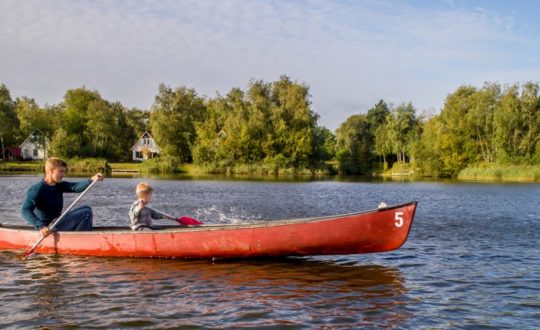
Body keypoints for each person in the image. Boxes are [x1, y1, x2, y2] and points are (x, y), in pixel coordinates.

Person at [21, 157, 103, 237]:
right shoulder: (37, 189)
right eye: (60, 171)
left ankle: (79, 236)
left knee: (87, 208)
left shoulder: (59, 185)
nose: (63, 174)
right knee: (86, 213)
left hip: (57, 222)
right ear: (51, 171)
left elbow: (76, 187)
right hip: (48, 228)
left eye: (64, 171)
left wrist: (92, 179)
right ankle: (81, 240)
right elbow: (25, 210)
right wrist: (41, 226)